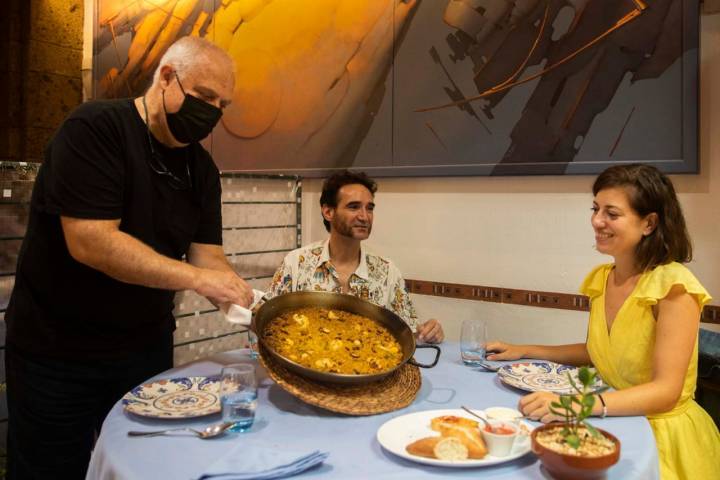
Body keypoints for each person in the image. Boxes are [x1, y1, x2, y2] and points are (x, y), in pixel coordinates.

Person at [4, 37, 254, 479]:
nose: (213, 112)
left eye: (222, 104)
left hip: (144, 348)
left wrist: (236, 293)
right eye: (204, 97)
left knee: (147, 464)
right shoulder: (95, 129)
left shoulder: (202, 170)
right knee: (50, 469)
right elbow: (92, 241)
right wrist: (197, 280)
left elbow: (207, 254)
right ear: (165, 77)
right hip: (58, 352)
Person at [486, 164, 720, 479]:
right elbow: (601, 351)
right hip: (614, 418)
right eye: (596, 209)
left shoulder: (674, 286)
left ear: (649, 223)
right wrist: (525, 350)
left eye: (612, 213)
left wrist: (573, 405)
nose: (597, 221)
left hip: (662, 438)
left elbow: (666, 391)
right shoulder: (603, 279)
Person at [267, 170, 444, 343]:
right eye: (354, 207)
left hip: (370, 368)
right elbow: (267, 321)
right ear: (328, 212)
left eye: (370, 208)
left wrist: (430, 333)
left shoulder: (388, 272)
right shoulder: (296, 263)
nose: (364, 216)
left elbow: (408, 336)